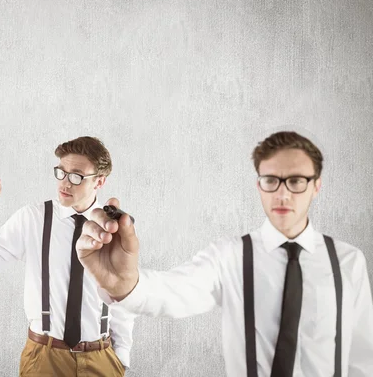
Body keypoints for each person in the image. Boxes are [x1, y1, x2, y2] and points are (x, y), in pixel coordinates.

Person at [77, 131, 373, 376]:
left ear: (316, 186)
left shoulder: (347, 261)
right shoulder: (231, 256)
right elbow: (176, 292)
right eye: (271, 180)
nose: (282, 194)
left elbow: (362, 361)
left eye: (296, 181)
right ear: (259, 186)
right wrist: (125, 284)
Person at [0, 136, 134, 376]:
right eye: (61, 173)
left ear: (100, 181)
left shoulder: (113, 229)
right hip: (44, 358)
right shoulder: (33, 218)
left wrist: (121, 357)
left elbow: (123, 297)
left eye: (76, 176)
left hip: (100, 358)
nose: (65, 183)